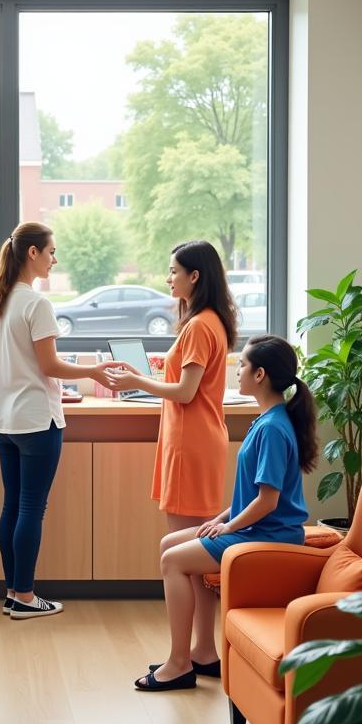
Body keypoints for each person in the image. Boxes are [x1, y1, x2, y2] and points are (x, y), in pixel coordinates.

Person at [132, 335, 317, 690]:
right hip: (254, 528)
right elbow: (254, 492)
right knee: (170, 544)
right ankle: (202, 651)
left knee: (173, 561)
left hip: (268, 534)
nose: (238, 371)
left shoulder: (274, 429)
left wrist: (229, 526)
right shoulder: (267, 421)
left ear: (260, 375)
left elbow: (268, 501)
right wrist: (220, 518)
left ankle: (179, 663)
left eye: (243, 365)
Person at [104, 240, 237, 675]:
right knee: (195, 560)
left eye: (173, 271)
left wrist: (139, 380)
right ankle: (202, 650)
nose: (168, 278)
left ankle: (190, 655)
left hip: (192, 445)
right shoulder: (207, 322)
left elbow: (185, 392)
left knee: (190, 559)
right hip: (192, 442)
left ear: (194, 276)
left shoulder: (200, 326)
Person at [0, 222, 113, 620]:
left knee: (13, 506)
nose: (54, 259)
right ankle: (24, 595)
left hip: (3, 421)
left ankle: (12, 592)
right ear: (32, 253)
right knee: (31, 509)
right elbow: (50, 363)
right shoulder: (36, 305)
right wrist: (93, 371)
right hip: (37, 421)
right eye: (51, 252)